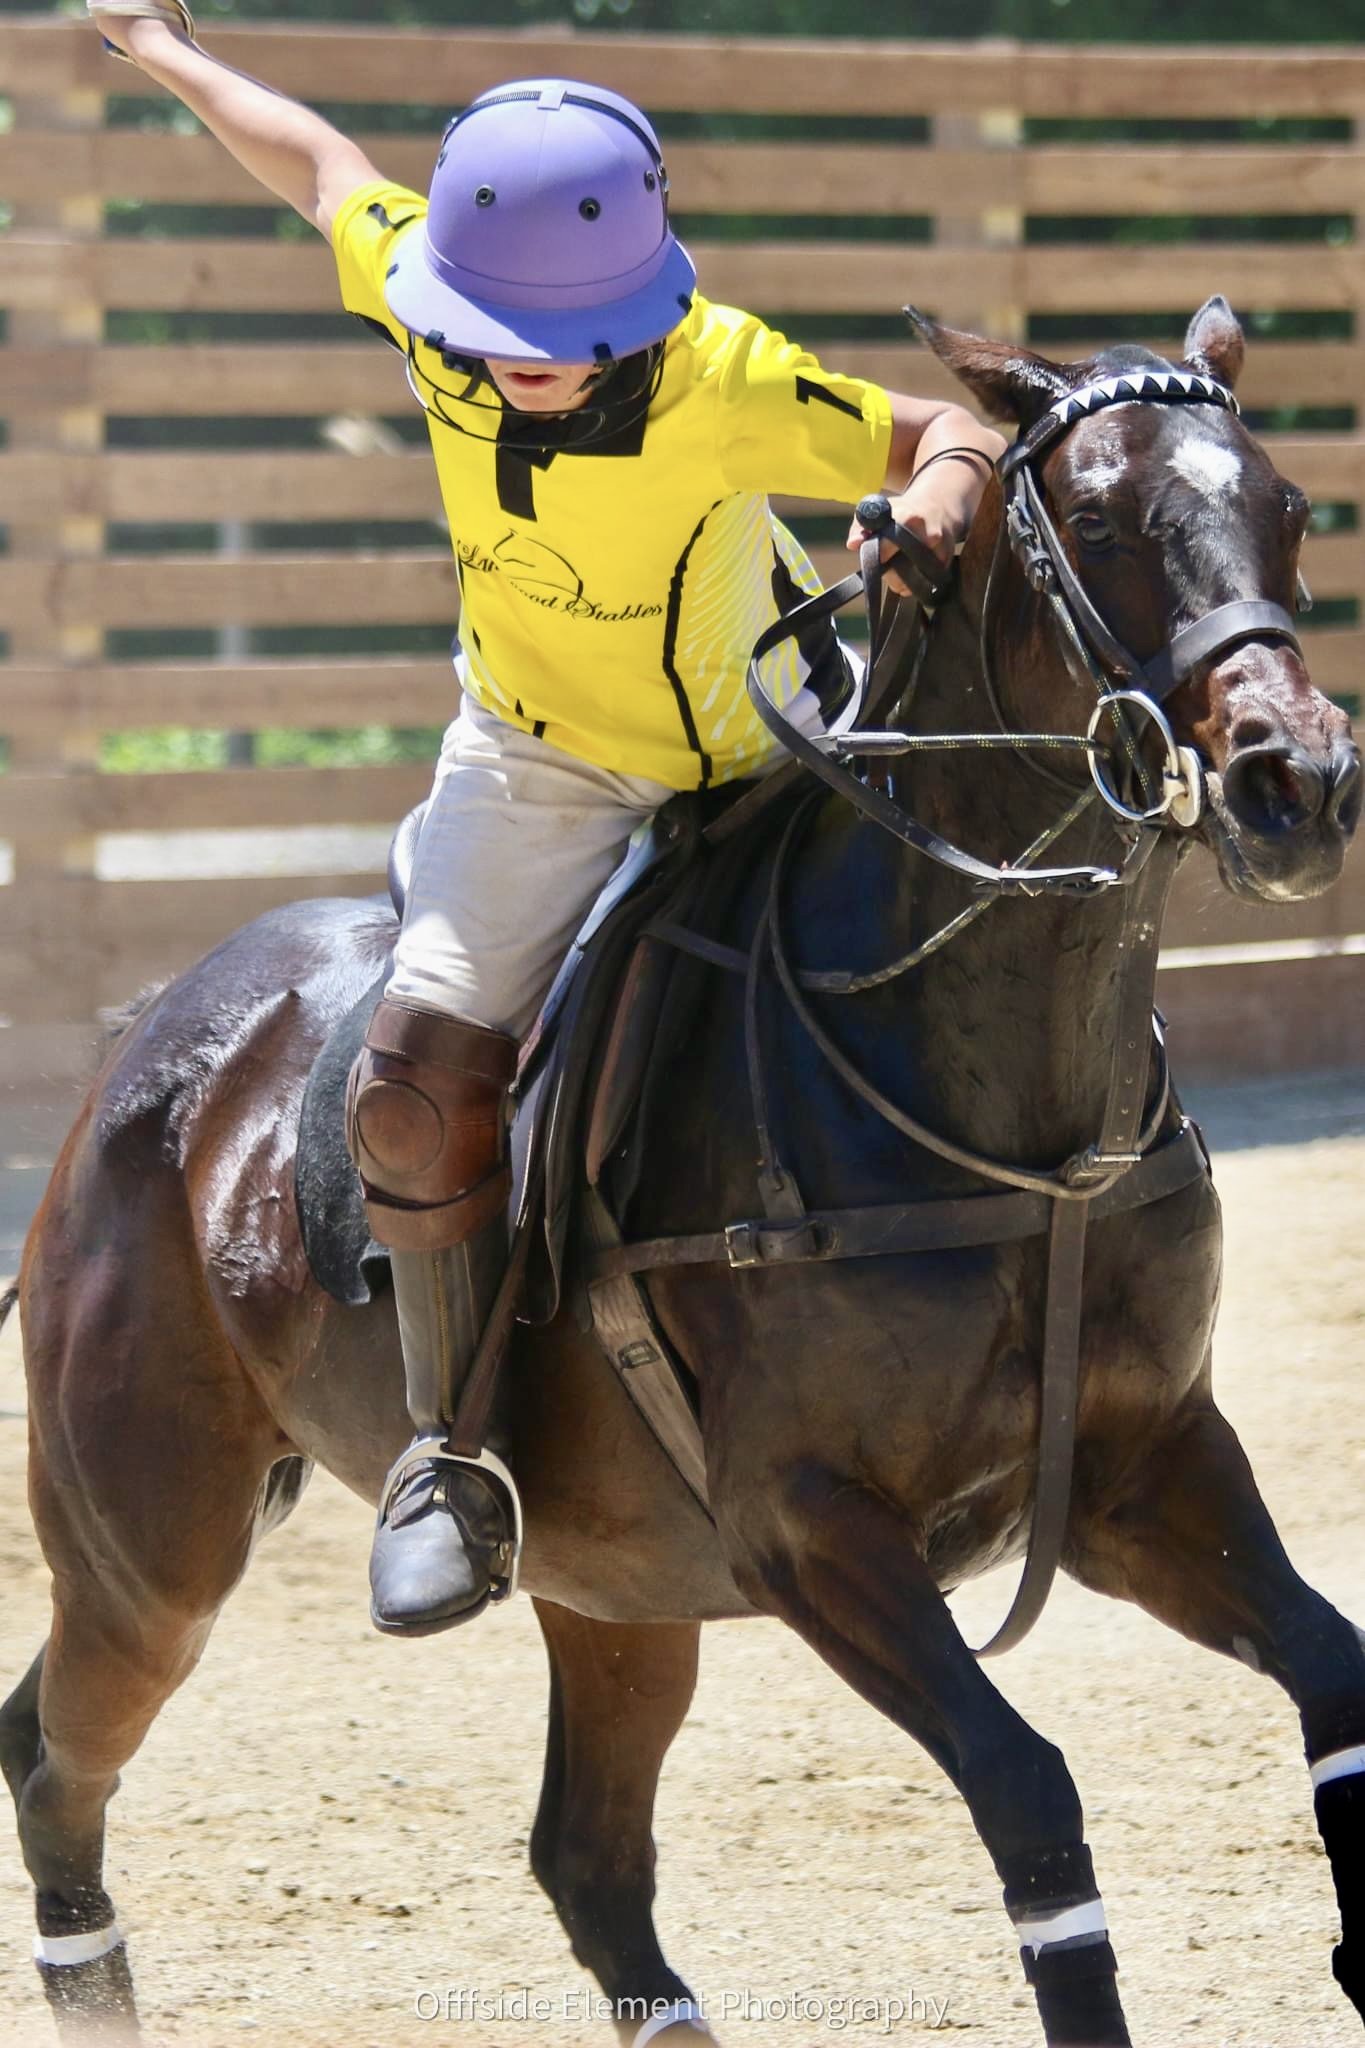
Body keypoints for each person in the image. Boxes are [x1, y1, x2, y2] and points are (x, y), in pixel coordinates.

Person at [87, 0, 1006, 1639]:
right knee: (416, 1082)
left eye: (556, 331)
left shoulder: (724, 373)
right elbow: (315, 164)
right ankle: (451, 1454)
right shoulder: (418, 301)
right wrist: (162, 48)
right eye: (488, 316)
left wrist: (930, 503)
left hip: (779, 741)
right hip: (541, 765)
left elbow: (948, 426)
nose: (516, 354)